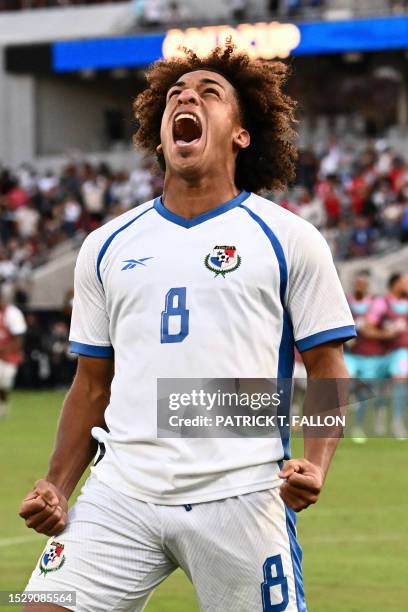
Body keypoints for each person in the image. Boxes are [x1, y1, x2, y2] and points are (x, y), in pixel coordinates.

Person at [20, 43, 355, 611]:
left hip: (243, 493)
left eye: (209, 92)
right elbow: (91, 385)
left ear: (241, 134)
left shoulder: (289, 239)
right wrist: (56, 483)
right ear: (161, 137)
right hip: (120, 490)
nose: (187, 97)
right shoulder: (104, 246)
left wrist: (315, 464)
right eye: (176, 94)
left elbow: (327, 368)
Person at [344, 272, 387, 442]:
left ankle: (359, 426)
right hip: (350, 355)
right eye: (357, 282)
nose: (359, 286)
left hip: (370, 356)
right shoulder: (345, 301)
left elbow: (377, 327)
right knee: (342, 383)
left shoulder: (375, 304)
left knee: (366, 393)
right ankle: (340, 426)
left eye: (363, 283)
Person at [365, 273, 408, 439]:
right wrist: (385, 334)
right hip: (383, 355)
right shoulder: (382, 303)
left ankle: (397, 421)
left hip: (402, 354)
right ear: (396, 284)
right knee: (381, 390)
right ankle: (380, 417)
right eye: (405, 281)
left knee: (400, 378)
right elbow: (368, 328)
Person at [0, 284, 27, 418]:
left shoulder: (13, 313)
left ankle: (3, 406)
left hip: (9, 354)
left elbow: (18, 337)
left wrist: (7, 350)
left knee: (5, 382)